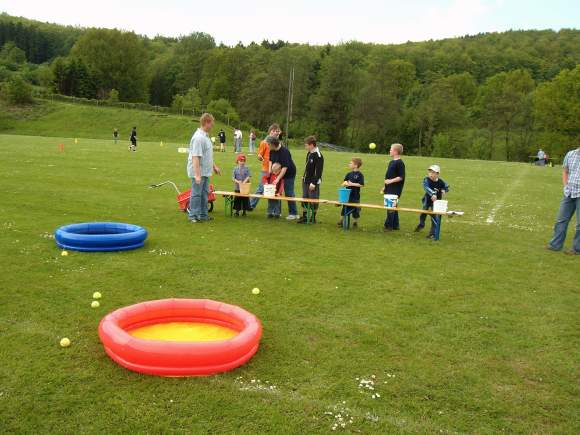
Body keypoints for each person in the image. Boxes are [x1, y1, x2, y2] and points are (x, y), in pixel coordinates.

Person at [187, 113, 222, 223]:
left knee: (204, 193)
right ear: (206, 122)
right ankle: (193, 216)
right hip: (198, 171)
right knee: (196, 194)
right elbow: (195, 157)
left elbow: (207, 155)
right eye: (212, 123)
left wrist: (214, 167)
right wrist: (197, 175)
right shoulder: (198, 138)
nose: (213, 125)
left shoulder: (205, 137)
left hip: (206, 171)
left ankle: (203, 215)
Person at [547, 146, 580, 255]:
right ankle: (555, 245)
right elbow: (565, 171)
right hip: (569, 193)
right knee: (561, 219)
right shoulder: (570, 154)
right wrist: (566, 186)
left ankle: (577, 249)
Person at [249, 124, 281, 210]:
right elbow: (259, 155)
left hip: (276, 170)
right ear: (270, 131)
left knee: (276, 190)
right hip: (266, 169)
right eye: (274, 131)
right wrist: (260, 157)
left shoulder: (278, 143)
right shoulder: (264, 142)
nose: (276, 132)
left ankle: (276, 210)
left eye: (277, 131)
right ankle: (251, 205)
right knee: (261, 188)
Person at [268, 137, 300, 220]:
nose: (268, 146)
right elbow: (270, 161)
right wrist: (270, 173)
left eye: (269, 144)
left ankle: (293, 213)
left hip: (289, 173)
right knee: (276, 191)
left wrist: (278, 178)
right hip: (277, 172)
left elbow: (285, 167)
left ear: (273, 144)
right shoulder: (272, 150)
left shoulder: (285, 151)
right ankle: (277, 212)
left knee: (289, 192)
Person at [415, 164, 450, 239]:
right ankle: (421, 224)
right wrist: (433, 194)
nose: (431, 174)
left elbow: (446, 186)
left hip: (436, 202)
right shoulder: (426, 179)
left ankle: (432, 233)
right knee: (423, 212)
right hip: (427, 200)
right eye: (430, 172)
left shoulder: (441, 182)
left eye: (433, 173)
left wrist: (444, 190)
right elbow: (426, 187)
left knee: (434, 217)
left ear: (438, 174)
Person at [298, 136, 324, 224]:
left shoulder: (318, 156)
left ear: (312, 145)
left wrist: (313, 183)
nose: (305, 147)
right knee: (305, 198)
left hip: (313, 182)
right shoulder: (309, 153)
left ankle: (313, 218)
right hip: (305, 180)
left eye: (306, 145)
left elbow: (318, 172)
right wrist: (304, 176)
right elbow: (307, 167)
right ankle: (304, 216)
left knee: (313, 199)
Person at [382, 143, 405, 231]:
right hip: (389, 187)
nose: (390, 151)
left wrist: (390, 181)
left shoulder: (400, 163)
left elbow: (401, 177)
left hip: (395, 189)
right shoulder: (392, 162)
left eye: (391, 149)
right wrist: (385, 186)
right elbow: (388, 176)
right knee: (393, 206)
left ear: (395, 151)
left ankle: (389, 226)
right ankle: (395, 225)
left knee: (390, 206)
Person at [338, 158, 365, 228]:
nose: (349, 164)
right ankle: (341, 221)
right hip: (347, 196)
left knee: (355, 211)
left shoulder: (360, 175)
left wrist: (352, 184)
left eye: (351, 163)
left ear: (356, 165)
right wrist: (344, 183)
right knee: (344, 208)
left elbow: (361, 184)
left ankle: (355, 222)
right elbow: (345, 182)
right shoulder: (349, 174)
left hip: (355, 196)